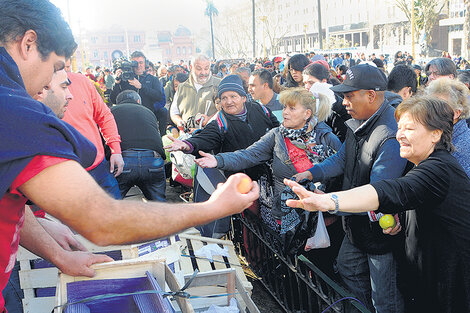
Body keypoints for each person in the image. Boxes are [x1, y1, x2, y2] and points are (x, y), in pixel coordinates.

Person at [0, 2, 259, 312]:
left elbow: (9, 197)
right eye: (56, 67)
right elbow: (102, 221)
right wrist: (212, 208)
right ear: (28, 44)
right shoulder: (15, 112)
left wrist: (59, 255)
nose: (57, 82)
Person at [284, 96, 470, 313]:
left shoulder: (438, 170)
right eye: (399, 127)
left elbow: (388, 190)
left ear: (435, 134)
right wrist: (397, 218)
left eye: (409, 128)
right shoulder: (420, 164)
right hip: (429, 278)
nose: (399, 135)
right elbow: (409, 197)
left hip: (450, 287)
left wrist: (328, 201)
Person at [295, 64, 407, 313]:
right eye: (343, 96)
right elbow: (342, 159)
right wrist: (312, 172)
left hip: (379, 233)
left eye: (349, 95)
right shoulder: (359, 122)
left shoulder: (389, 135)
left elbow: (377, 193)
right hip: (356, 227)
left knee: (385, 299)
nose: (343, 101)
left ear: (371, 95)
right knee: (347, 268)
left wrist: (330, 202)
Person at [165, 75, 279, 236]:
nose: (228, 101)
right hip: (242, 178)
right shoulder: (220, 122)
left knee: (270, 221)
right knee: (252, 224)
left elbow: (278, 129)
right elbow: (204, 138)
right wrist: (187, 145)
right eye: (223, 98)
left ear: (243, 98)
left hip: (268, 175)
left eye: (233, 96)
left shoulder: (261, 110)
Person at [63, 59, 124, 200]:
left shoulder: (81, 81)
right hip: (65, 175)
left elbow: (104, 115)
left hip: (99, 167)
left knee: (118, 217)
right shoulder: (32, 88)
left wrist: (115, 149)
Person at [111, 90, 166, 201]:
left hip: (123, 159)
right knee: (159, 207)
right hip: (152, 159)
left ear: (118, 102)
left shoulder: (111, 111)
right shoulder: (148, 111)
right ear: (138, 101)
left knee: (111, 206)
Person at [110, 51, 167, 136]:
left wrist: (141, 87)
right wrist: (117, 82)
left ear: (145, 64)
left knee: (163, 111)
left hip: (148, 114)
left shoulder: (153, 79)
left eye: (141, 62)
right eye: (135, 63)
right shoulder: (124, 79)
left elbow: (158, 96)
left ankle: (162, 137)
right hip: (128, 115)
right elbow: (114, 100)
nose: (138, 65)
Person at [425, 78, 470, 176]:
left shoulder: (462, 146)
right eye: (429, 105)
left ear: (457, 112)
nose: (431, 111)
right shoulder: (437, 134)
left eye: (439, 106)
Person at [170, 54, 221, 132]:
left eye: (206, 68)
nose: (203, 72)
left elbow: (226, 109)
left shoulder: (219, 84)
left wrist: (210, 119)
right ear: (191, 67)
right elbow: (174, 112)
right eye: (199, 69)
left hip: (211, 135)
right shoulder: (182, 87)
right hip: (187, 136)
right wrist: (179, 121)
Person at [302, 63, 350, 142]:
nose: (307, 87)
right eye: (305, 83)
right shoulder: (304, 103)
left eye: (311, 83)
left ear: (324, 82)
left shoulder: (335, 105)